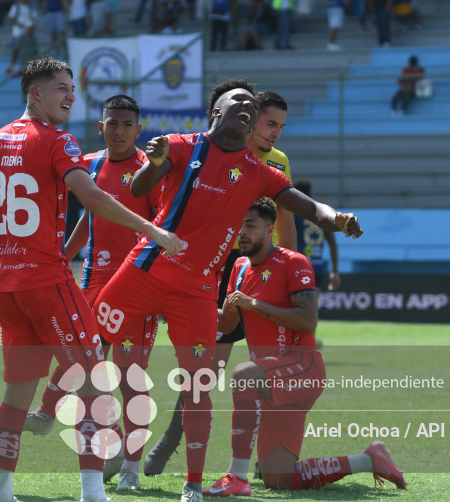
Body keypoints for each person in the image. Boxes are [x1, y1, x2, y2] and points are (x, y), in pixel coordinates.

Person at [93, 77, 362, 502]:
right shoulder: (181, 144)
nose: (247, 106)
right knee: (85, 346)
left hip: (197, 290)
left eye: (251, 105)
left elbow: (308, 207)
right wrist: (156, 162)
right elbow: (140, 189)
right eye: (237, 100)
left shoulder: (259, 172)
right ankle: (97, 465)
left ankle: (193, 488)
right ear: (215, 112)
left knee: (198, 386)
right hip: (143, 270)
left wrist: (339, 217)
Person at [0, 57, 182, 502]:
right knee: (98, 385)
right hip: (47, 281)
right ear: (35, 93)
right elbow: (92, 197)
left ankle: (0, 497)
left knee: (17, 395)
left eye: (72, 87)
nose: (71, 95)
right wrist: (154, 232)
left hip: (7, 284)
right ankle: (94, 500)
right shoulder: (58, 139)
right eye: (61, 87)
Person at [143, 90, 336, 477]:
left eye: (281, 126)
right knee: (205, 367)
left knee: (267, 366)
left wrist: (289, 265)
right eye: (270, 124)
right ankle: (170, 440)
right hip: (218, 266)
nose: (276, 133)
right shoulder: (218, 149)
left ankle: (261, 460)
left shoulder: (277, 162)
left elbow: (285, 219)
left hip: (264, 268)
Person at [202, 198, 404, 494]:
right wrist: (189, 307)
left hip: (301, 367)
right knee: (279, 480)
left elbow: (308, 321)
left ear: (269, 229)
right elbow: (229, 326)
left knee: (243, 374)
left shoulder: (293, 262)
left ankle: (236, 477)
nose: (241, 232)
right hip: (270, 378)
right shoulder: (240, 268)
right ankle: (368, 459)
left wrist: (255, 304)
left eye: (250, 225)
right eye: (238, 226)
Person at [22, 94, 163, 493]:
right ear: (100, 127)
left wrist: (162, 287)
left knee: (130, 377)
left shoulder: (150, 171)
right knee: (80, 358)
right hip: (94, 280)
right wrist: (62, 255)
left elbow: (159, 225)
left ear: (138, 130)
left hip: (137, 284)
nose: (118, 131)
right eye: (111, 123)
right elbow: (89, 213)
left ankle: (131, 466)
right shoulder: (90, 163)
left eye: (126, 125)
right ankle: (77, 429)